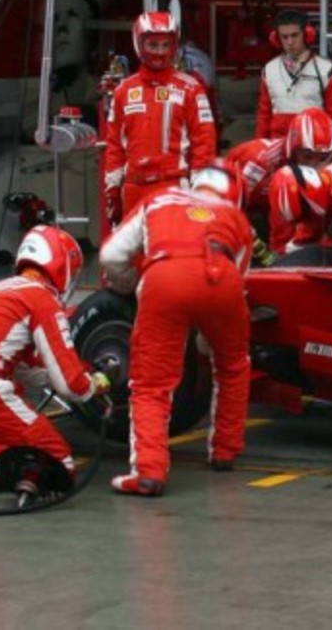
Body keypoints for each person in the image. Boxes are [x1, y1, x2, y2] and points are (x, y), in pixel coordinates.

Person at [100, 167, 253, 496]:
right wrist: (203, 340)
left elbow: (111, 256)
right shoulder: (237, 219)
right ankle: (225, 451)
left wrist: (131, 284)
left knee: (151, 383)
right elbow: (240, 284)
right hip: (222, 281)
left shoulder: (159, 200)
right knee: (234, 365)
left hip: (165, 279)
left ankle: (148, 471)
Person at [0, 226, 109, 495]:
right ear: (64, 265)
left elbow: (27, 369)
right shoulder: (40, 297)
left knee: (14, 440)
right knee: (59, 461)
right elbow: (71, 385)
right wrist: (97, 381)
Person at [102, 12, 217, 224]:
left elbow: (205, 143)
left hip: (173, 187)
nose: (160, 52)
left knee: (171, 253)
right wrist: (112, 188)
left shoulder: (191, 89)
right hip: (133, 189)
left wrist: (201, 188)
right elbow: (114, 146)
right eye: (153, 45)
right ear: (139, 44)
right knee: (135, 256)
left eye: (166, 45)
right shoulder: (123, 91)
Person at [225, 108, 332, 252]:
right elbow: (229, 211)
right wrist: (257, 247)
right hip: (244, 211)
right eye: (307, 156)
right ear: (293, 149)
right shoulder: (259, 161)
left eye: (322, 159)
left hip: (275, 216)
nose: (313, 165)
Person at [256, 9, 332, 151]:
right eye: (284, 37)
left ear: (307, 34)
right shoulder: (269, 69)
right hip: (278, 148)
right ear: (276, 38)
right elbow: (263, 116)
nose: (290, 42)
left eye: (294, 35)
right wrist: (260, 150)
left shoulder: (326, 69)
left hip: (314, 150)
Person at [53, 0, 101, 128]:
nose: (61, 26)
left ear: (91, 32)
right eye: (55, 18)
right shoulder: (37, 110)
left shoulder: (107, 98)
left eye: (72, 14)